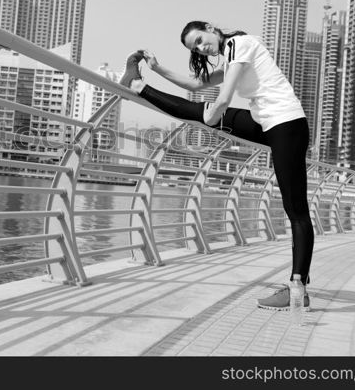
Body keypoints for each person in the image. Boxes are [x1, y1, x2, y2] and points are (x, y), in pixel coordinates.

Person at [119, 20, 314, 311]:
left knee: (295, 210)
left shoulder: (239, 44)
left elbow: (224, 97)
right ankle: (138, 84)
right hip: (269, 122)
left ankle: (297, 287)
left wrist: (211, 117)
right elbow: (196, 84)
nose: (201, 47)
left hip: (286, 125)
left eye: (200, 39)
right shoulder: (232, 52)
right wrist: (158, 69)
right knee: (199, 109)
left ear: (211, 27)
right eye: (195, 47)